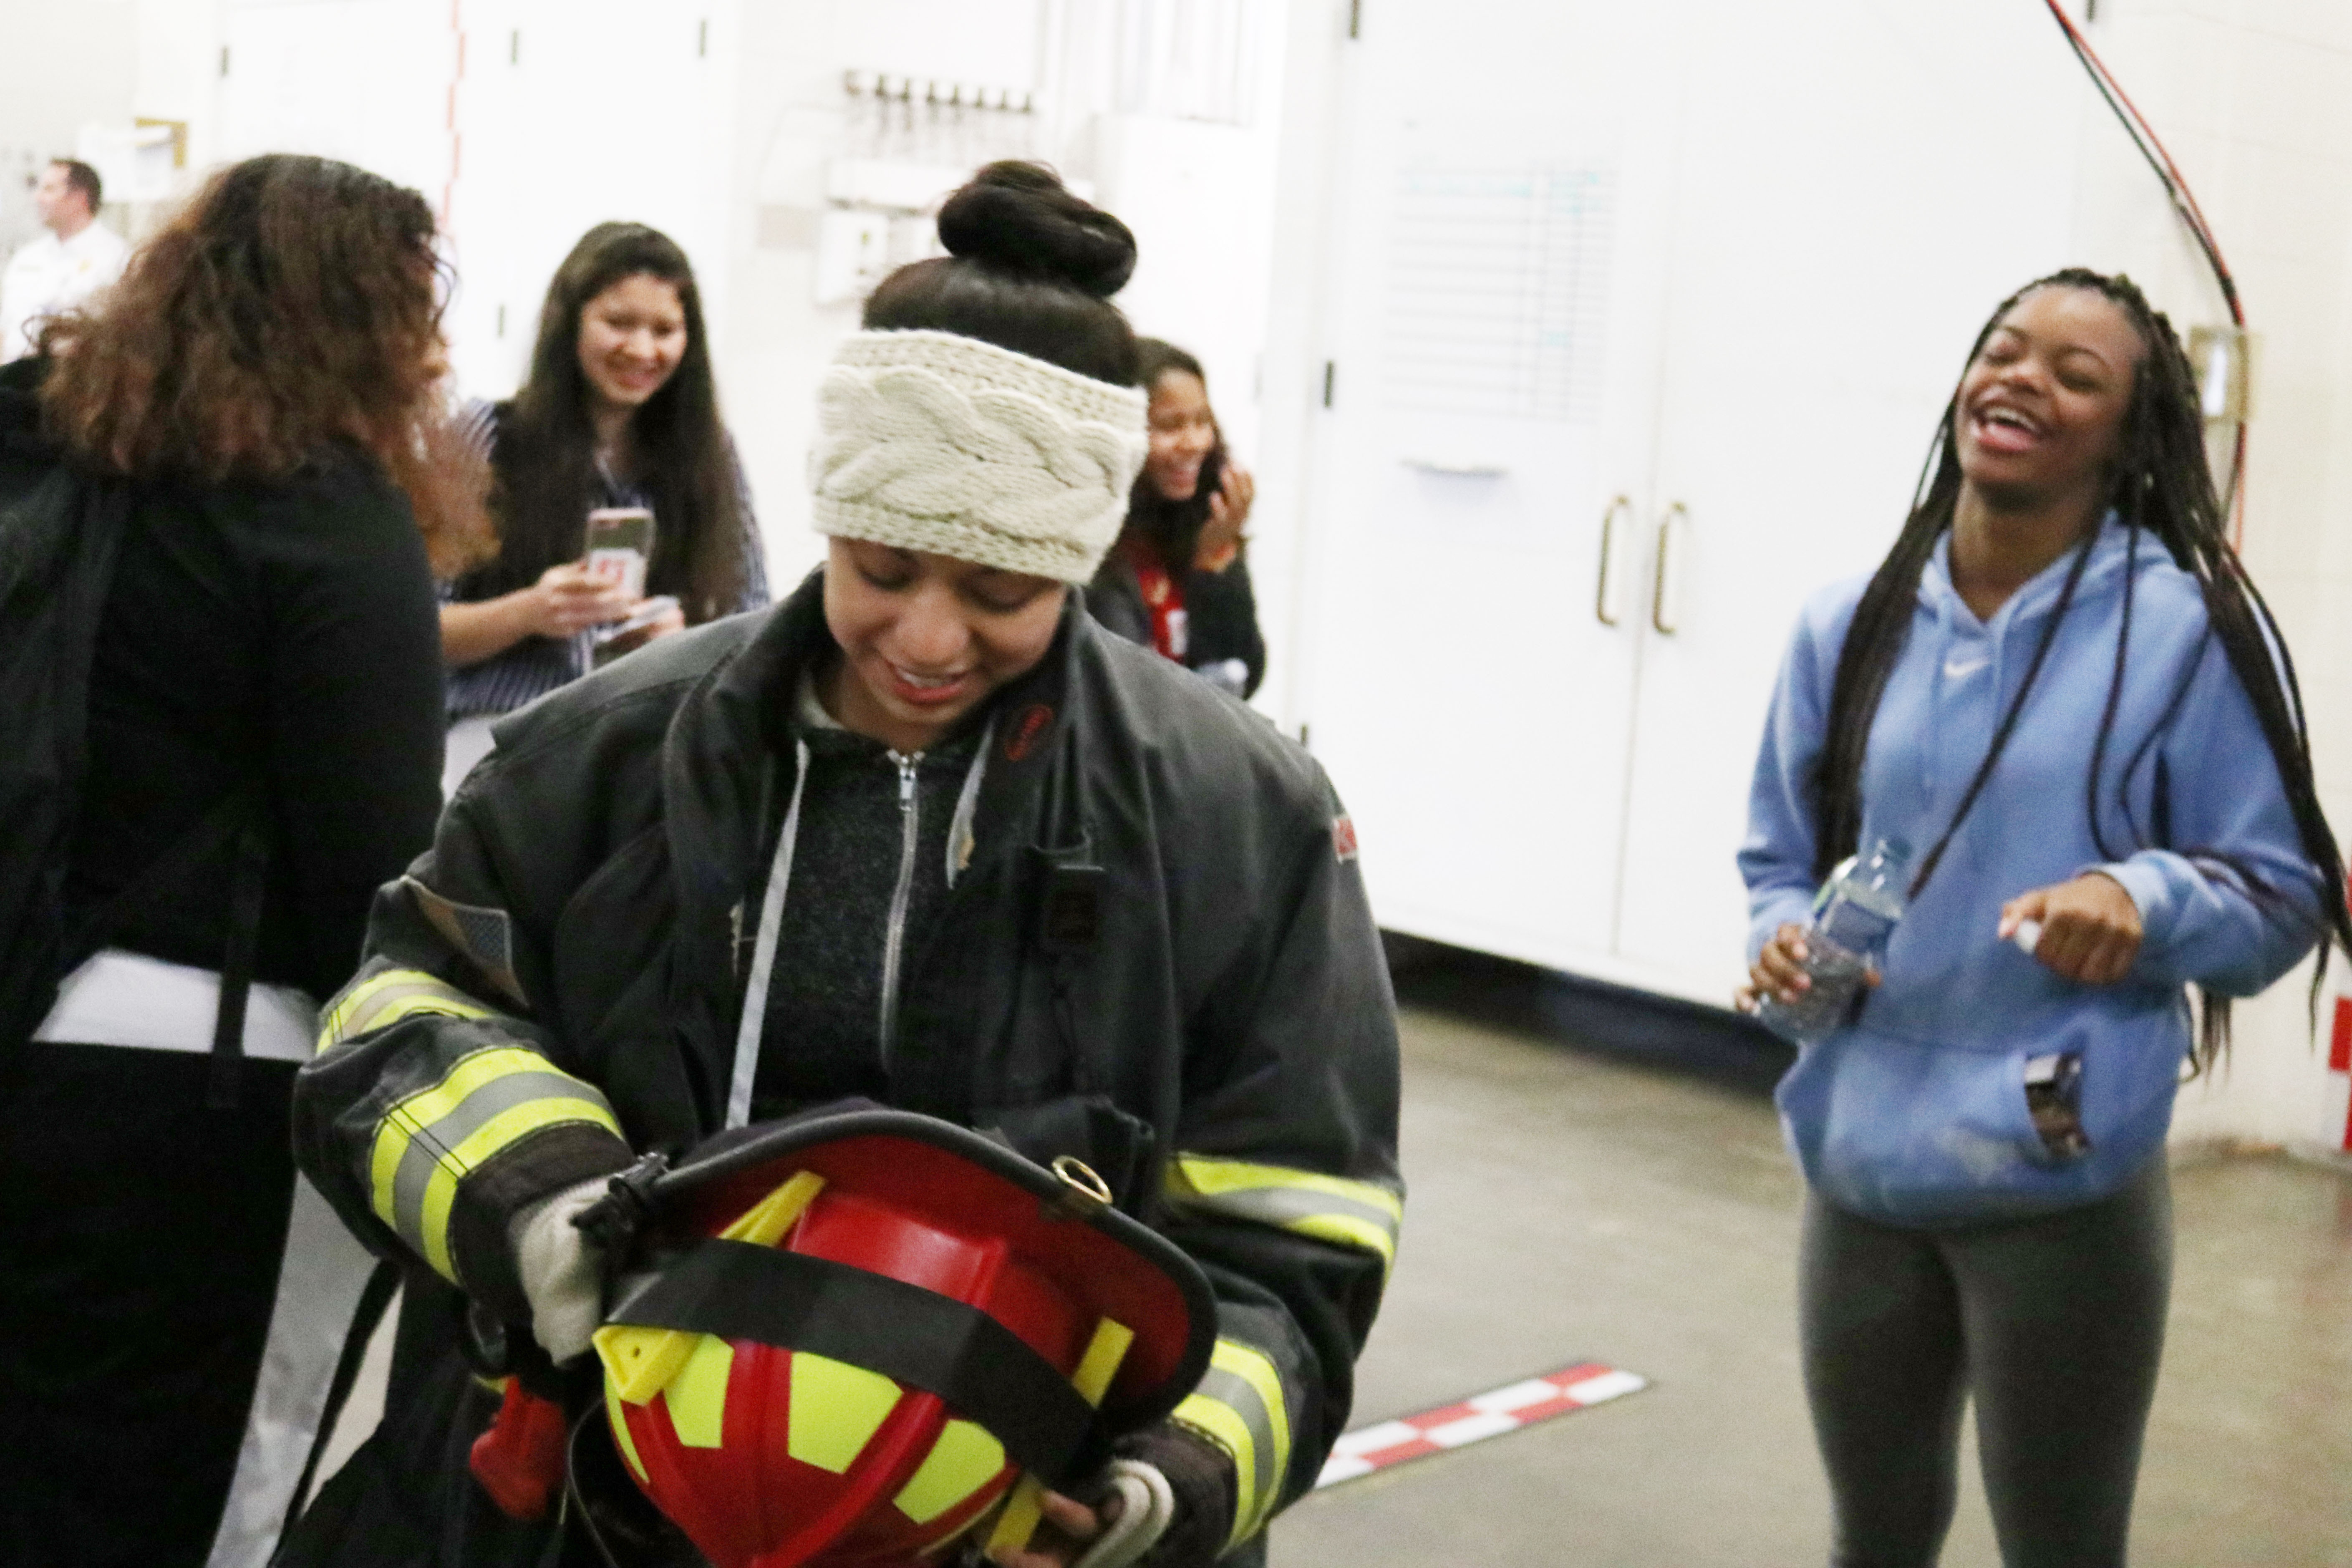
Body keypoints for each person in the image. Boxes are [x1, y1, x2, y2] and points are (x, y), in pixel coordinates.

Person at [283, 161, 1400, 1568]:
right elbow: (397, 1020)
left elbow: (1297, 1225)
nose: (928, 640)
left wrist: (1167, 1476)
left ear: (1073, 561)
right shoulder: (606, 750)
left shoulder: (1241, 814)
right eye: (880, 568)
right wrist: (552, 1206)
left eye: (998, 591)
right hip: (580, 1503)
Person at [1737, 267, 2351, 1568]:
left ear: (2128, 435)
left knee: (2062, 1546)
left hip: (2060, 1179)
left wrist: (2140, 897)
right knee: (1876, 1532)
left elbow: (2284, 895)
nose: (2020, 379)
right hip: (1858, 1168)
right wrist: (1779, 933)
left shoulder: (2185, 636)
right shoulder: (1848, 624)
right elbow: (1777, 858)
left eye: (2076, 374)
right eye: (2004, 352)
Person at [0, 154, 460, 1568]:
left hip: (31, 1005)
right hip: (209, 1067)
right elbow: (372, 859)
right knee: (184, 1489)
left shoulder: (51, 447)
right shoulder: (329, 513)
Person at [439, 222, 769, 791]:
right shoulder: (488, 433)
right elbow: (419, 625)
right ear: (571, 322)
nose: (642, 349)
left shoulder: (709, 454)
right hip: (498, 747)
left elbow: (756, 622)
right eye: (619, 323)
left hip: (645, 748)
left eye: (664, 329)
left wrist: (681, 639)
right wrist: (529, 611)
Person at [1087, 339, 1265, 698]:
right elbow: (1127, 692)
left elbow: (1244, 672)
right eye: (1170, 426)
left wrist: (1214, 563)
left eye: (1203, 422)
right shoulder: (1097, 540)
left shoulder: (1206, 523)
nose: (1195, 442)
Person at [1, 157, 130, 363]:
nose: (38, 198)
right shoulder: (27, 257)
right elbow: (7, 329)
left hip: (76, 383)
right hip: (15, 382)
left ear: (80, 198)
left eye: (49, 189)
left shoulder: (117, 258)